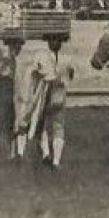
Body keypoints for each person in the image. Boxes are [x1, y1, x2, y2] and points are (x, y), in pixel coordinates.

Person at [27, 34, 75, 168]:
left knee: (43, 124)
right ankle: (56, 160)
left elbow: (33, 73)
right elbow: (70, 76)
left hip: (46, 93)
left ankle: (46, 153)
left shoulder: (41, 56)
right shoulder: (67, 58)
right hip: (60, 94)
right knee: (58, 126)